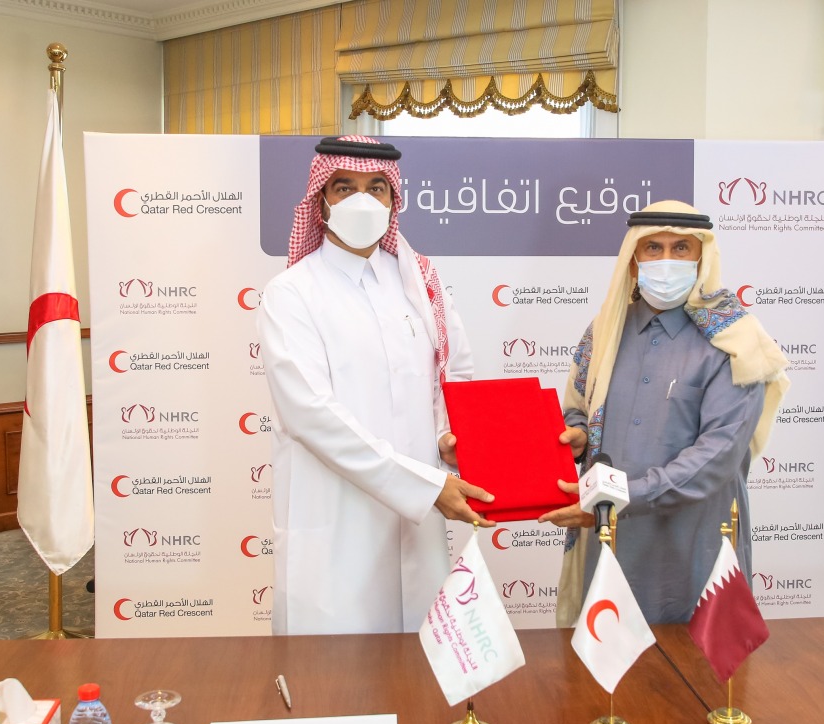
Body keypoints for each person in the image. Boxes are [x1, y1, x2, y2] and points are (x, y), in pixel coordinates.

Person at [257, 135, 494, 636]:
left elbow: (458, 377)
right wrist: (424, 488)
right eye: (345, 187)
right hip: (339, 520)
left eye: (377, 188)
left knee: (419, 679)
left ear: (394, 199)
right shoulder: (292, 293)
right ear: (321, 200)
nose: (363, 200)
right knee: (337, 685)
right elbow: (310, 414)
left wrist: (455, 440)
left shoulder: (418, 280)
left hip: (421, 518)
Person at [541, 201, 790, 626]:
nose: (666, 261)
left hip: (694, 535)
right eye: (653, 248)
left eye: (681, 248)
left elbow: (718, 456)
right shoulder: (604, 331)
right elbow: (578, 408)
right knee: (607, 667)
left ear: (702, 256)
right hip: (608, 529)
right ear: (634, 260)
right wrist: (579, 435)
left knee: (698, 672)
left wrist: (622, 498)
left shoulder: (735, 339)